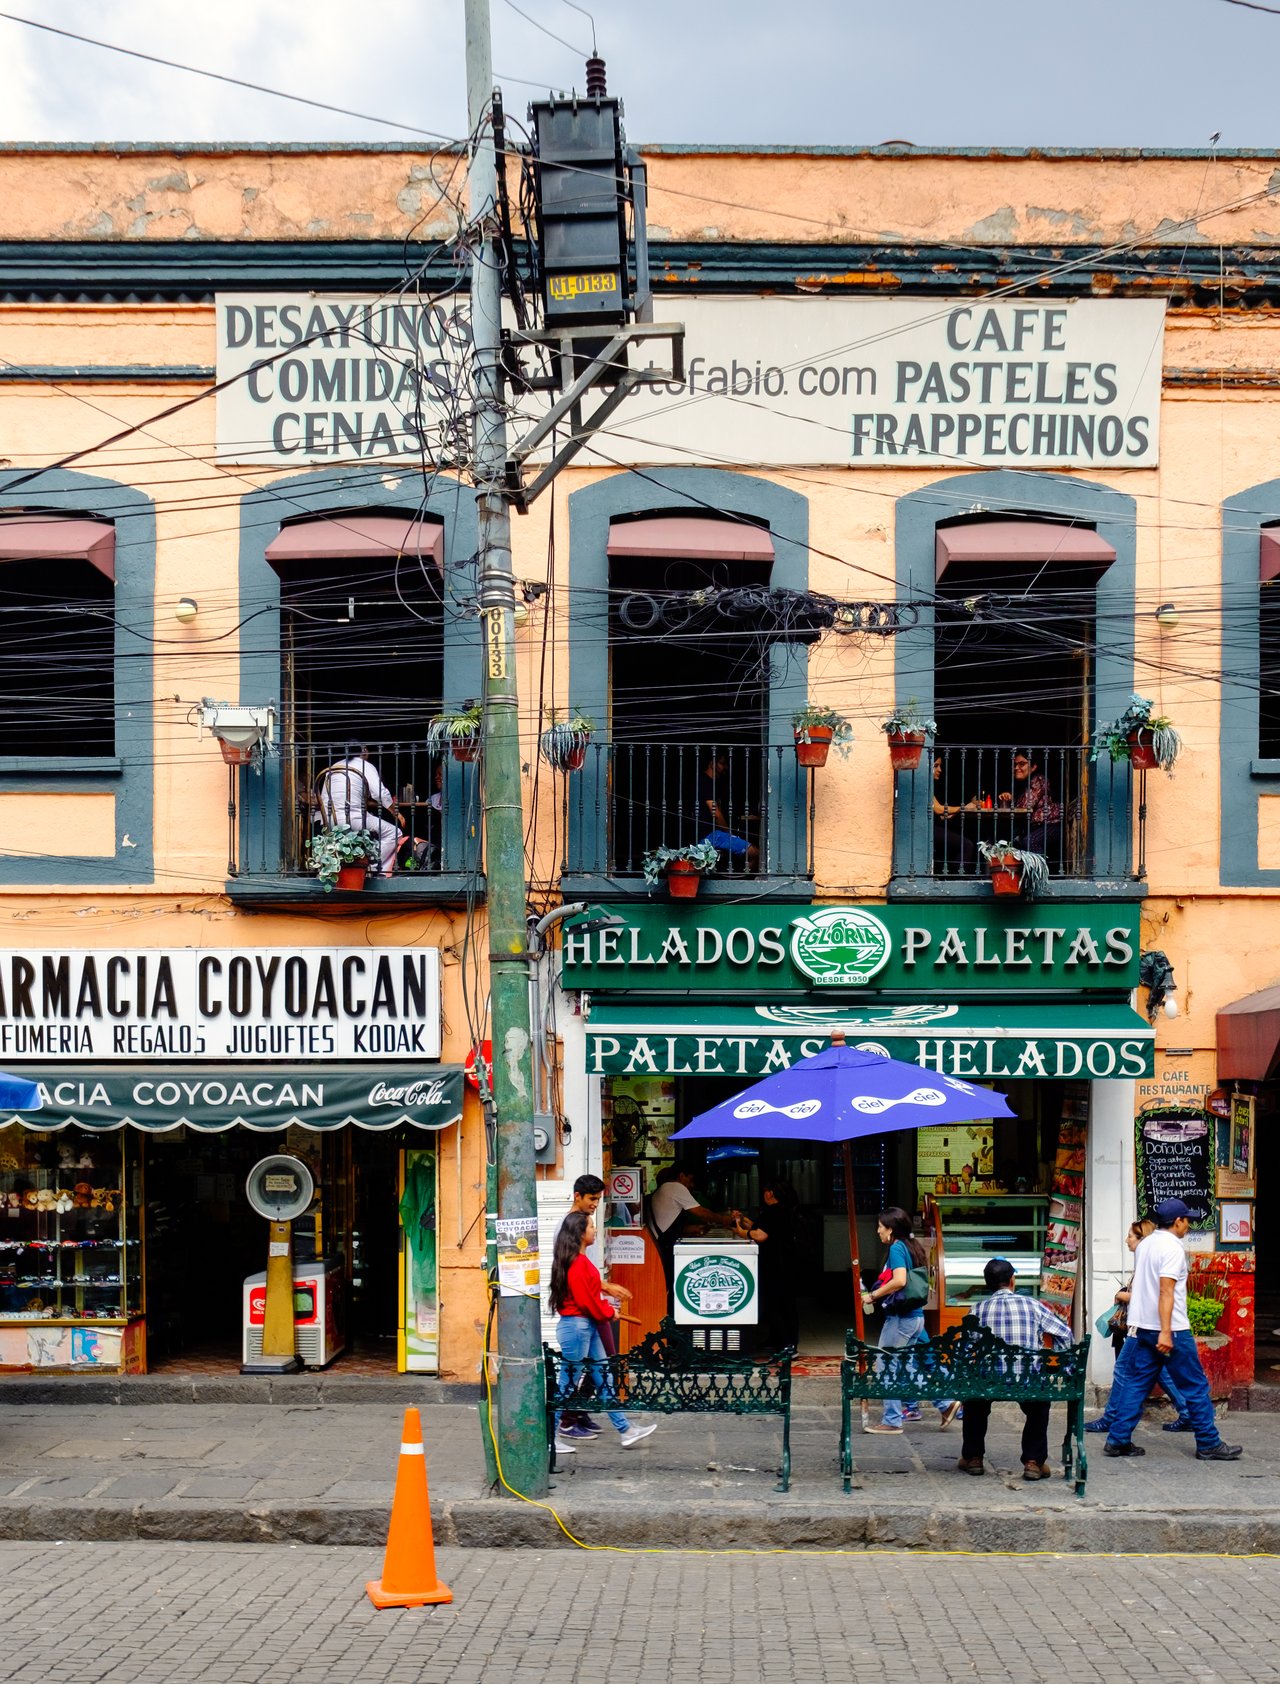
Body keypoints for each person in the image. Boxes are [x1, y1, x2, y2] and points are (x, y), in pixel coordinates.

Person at [1103, 1198, 1243, 1463]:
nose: (1188, 1225)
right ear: (1177, 1221)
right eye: (1186, 1220)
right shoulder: (1172, 1248)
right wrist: (1166, 1331)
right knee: (1195, 1385)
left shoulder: (1146, 1244)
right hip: (1170, 1329)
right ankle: (1209, 1442)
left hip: (1143, 1326)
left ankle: (1118, 1439)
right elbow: (1166, 1290)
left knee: (1136, 1383)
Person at [548, 1210, 656, 1455]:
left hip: (586, 1324)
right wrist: (608, 1312)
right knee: (568, 1383)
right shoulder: (577, 1263)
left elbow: (589, 1299)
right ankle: (550, 1438)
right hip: (577, 1326)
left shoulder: (577, 1261)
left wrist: (604, 1310)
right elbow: (587, 1301)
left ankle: (626, 1429)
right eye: (591, 1227)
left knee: (604, 1375)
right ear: (580, 1233)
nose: (595, 1230)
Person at [956, 1257, 1073, 1479]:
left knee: (974, 1404)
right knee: (1039, 1407)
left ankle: (973, 1458)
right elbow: (1064, 1334)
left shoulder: (977, 1309)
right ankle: (1033, 1462)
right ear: (1012, 1281)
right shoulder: (1033, 1305)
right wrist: (1060, 1366)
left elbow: (964, 1347)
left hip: (988, 1380)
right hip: (1027, 1379)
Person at [1085, 1219, 1191, 1436]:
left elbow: (1156, 1294)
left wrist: (1125, 1295)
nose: (1127, 1240)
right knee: (1157, 1372)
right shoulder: (1149, 1258)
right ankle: (1187, 1413)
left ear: (1142, 1238)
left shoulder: (1156, 1257)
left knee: (1129, 1372)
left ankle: (1114, 1423)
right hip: (1147, 1328)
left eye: (1131, 1236)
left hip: (1144, 1329)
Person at [860, 1207, 960, 1435]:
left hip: (901, 1320)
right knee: (907, 1366)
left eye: (880, 1226)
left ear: (891, 1229)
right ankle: (945, 1403)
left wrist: (873, 1295)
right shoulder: (912, 1246)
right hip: (916, 1318)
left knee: (886, 1366)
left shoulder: (896, 1248)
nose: (877, 1231)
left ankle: (892, 1420)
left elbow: (900, 1280)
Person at [560, 1175, 633, 1440]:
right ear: (577, 1196)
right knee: (580, 1374)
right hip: (582, 1315)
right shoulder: (568, 1230)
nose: (595, 1205)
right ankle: (566, 1421)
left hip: (588, 1312)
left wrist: (604, 1289)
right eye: (592, 1199)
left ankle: (619, 1426)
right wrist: (605, 1302)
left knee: (600, 1369)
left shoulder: (582, 1232)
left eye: (598, 1199)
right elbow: (576, 1278)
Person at [647, 1166, 736, 1306]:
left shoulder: (664, 1189)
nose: (692, 1185)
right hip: (664, 1246)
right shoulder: (675, 1187)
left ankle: (670, 1315)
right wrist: (724, 1219)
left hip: (661, 1244)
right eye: (691, 1180)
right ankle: (670, 1316)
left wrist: (691, 1229)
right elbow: (702, 1212)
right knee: (670, 1284)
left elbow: (667, 1222)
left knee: (669, 1284)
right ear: (682, 1175)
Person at [315, 750, 406, 876]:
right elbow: (380, 793)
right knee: (394, 833)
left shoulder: (333, 768)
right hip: (353, 819)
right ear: (364, 752)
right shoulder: (365, 765)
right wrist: (395, 812)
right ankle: (372, 868)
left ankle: (352, 867)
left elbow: (324, 798)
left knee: (370, 822)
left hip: (330, 821)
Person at [735, 1178, 801, 1349]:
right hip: (786, 1263)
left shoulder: (773, 1211)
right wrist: (743, 1220)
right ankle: (778, 1340)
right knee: (782, 1304)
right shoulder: (782, 1210)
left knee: (778, 1304)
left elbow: (760, 1235)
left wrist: (740, 1230)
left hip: (777, 1265)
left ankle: (786, 1344)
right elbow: (760, 1226)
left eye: (765, 1190)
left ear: (771, 1193)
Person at [696, 748, 758, 870]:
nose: (725, 768)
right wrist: (728, 833)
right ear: (712, 763)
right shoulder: (706, 782)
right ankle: (744, 881)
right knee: (756, 853)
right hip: (712, 836)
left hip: (713, 835)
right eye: (722, 763)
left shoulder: (710, 783)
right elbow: (716, 813)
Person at [997, 748, 1062, 864]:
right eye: (1015, 764)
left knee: (1030, 841)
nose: (1017, 768)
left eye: (1022, 764)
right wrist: (1010, 798)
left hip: (1050, 826)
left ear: (1034, 767)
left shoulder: (1039, 780)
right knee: (1005, 840)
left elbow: (1026, 805)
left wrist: (1013, 800)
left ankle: (1039, 876)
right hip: (1032, 828)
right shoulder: (1022, 785)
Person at [932, 757, 976, 873]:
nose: (940, 769)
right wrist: (964, 808)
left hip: (934, 827)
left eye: (940, 766)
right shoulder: (923, 784)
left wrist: (956, 811)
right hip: (927, 829)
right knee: (967, 845)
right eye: (936, 766)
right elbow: (938, 809)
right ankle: (958, 878)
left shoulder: (929, 785)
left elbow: (942, 815)